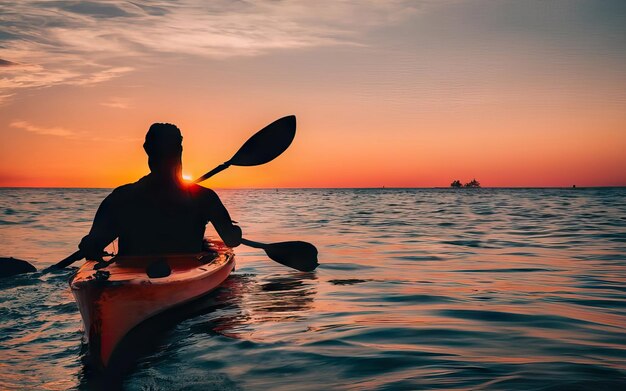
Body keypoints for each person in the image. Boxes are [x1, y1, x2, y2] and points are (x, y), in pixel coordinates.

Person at [78, 123, 242, 261]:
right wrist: (234, 229)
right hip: (184, 279)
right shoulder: (204, 198)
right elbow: (231, 239)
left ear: (147, 149)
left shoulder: (121, 197)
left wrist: (92, 243)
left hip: (128, 284)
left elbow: (92, 247)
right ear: (180, 150)